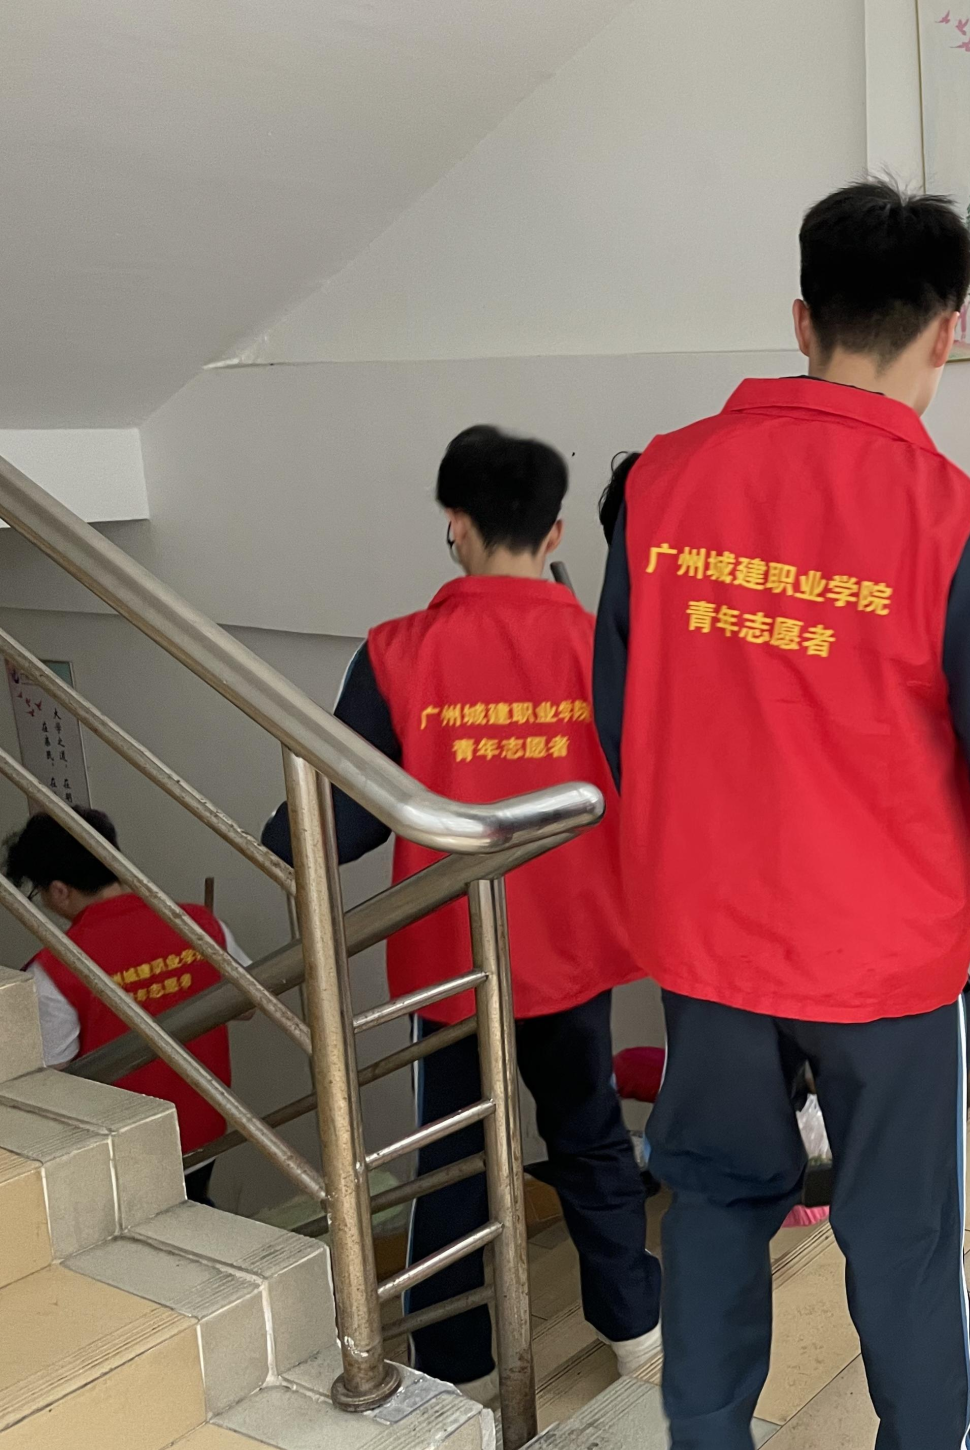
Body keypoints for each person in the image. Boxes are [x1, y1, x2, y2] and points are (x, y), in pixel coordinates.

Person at [595, 179, 970, 1450]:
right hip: (880, 963)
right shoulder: (955, 521)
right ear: (947, 332)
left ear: (802, 318)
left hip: (706, 936)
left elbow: (620, 711)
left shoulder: (659, 482)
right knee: (899, 1230)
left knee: (714, 1195)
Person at [261, 425, 661, 1393]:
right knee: (589, 1135)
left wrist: (279, 837)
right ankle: (635, 1334)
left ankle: (455, 1367)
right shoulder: (601, 648)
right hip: (572, 949)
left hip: (450, 962)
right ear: (555, 529)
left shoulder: (397, 653)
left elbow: (333, 827)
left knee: (453, 1155)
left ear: (455, 524)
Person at [6, 809, 243, 1204]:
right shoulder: (197, 923)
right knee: (196, 1206)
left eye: (41, 893)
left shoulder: (55, 969)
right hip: (205, 1129)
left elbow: (50, 1080)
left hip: (129, 1150)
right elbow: (248, 1006)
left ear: (60, 890)